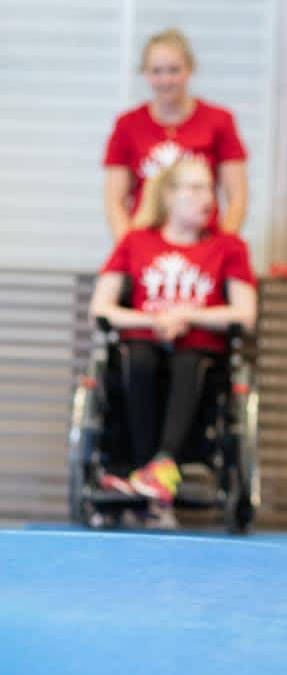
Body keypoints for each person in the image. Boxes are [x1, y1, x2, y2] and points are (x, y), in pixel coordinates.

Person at [90, 157, 257, 526]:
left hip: (200, 355)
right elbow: (101, 307)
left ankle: (160, 468)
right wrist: (154, 319)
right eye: (195, 188)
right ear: (168, 196)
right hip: (142, 348)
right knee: (139, 357)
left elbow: (245, 313)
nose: (208, 198)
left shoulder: (228, 247)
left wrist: (186, 316)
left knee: (188, 361)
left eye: (210, 188)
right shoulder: (135, 242)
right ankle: (141, 469)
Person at [103, 28, 248, 240]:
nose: (166, 80)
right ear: (145, 73)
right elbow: (114, 199)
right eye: (157, 71)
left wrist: (222, 247)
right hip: (146, 240)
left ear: (189, 69)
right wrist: (130, 249)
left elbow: (237, 195)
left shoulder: (219, 121)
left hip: (202, 241)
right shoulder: (127, 125)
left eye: (174, 70)